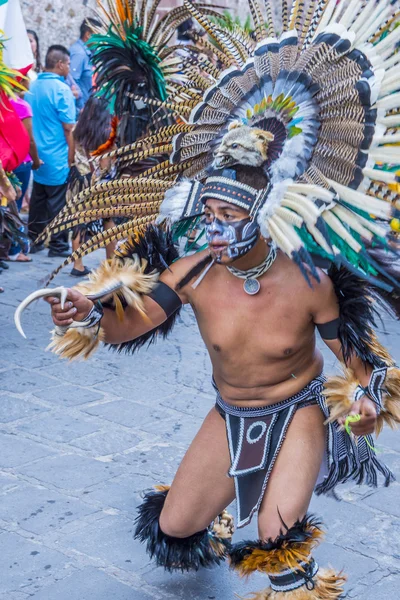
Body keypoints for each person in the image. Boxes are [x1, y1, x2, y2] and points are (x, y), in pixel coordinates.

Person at [16, 1, 400, 598]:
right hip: (230, 414)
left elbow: (360, 360)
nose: (215, 229)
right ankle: (217, 505)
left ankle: (288, 528)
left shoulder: (310, 279)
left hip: (297, 412)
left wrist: (368, 399)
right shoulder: (194, 270)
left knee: (277, 548)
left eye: (230, 216)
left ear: (265, 213)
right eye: (209, 214)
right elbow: (132, 323)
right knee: (174, 529)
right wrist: (90, 312)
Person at [26, 45, 76, 257]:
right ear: (60, 64)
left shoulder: (33, 85)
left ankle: (34, 241)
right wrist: (71, 157)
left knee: (38, 199)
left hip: (36, 154)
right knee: (58, 203)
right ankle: (58, 245)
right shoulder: (62, 89)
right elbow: (68, 128)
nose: (69, 69)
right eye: (68, 65)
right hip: (57, 156)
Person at [69, 18, 101, 111]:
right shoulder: (79, 54)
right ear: (88, 34)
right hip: (81, 111)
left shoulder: (88, 53)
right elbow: (72, 83)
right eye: (99, 37)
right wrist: (80, 108)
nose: (100, 41)